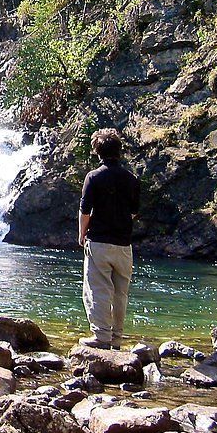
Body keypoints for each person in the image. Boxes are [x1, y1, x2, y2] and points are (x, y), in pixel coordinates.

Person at [77, 128, 140, 350]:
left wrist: (82, 234)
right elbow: (134, 212)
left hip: (100, 242)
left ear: (97, 151)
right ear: (119, 151)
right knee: (120, 292)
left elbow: (85, 211)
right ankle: (116, 338)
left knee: (98, 288)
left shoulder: (93, 177)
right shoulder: (131, 179)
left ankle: (101, 336)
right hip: (124, 244)